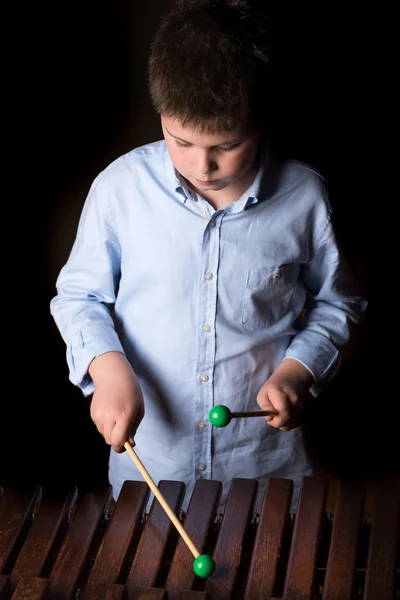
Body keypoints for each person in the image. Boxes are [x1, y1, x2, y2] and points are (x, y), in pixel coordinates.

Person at [50, 0, 367, 512]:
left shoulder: (305, 198)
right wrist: (107, 369)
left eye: (228, 144)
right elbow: (79, 296)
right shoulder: (119, 190)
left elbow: (339, 304)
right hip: (153, 470)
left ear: (259, 118)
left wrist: (298, 371)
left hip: (266, 472)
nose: (204, 164)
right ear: (160, 114)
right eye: (181, 141)